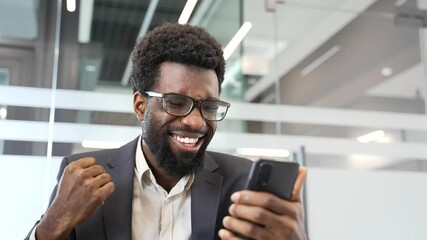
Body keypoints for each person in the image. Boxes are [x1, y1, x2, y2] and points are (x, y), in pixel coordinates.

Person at [25, 23, 307, 240]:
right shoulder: (84, 175)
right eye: (176, 102)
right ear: (140, 105)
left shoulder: (242, 182)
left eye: (209, 106)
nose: (196, 123)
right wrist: (51, 226)